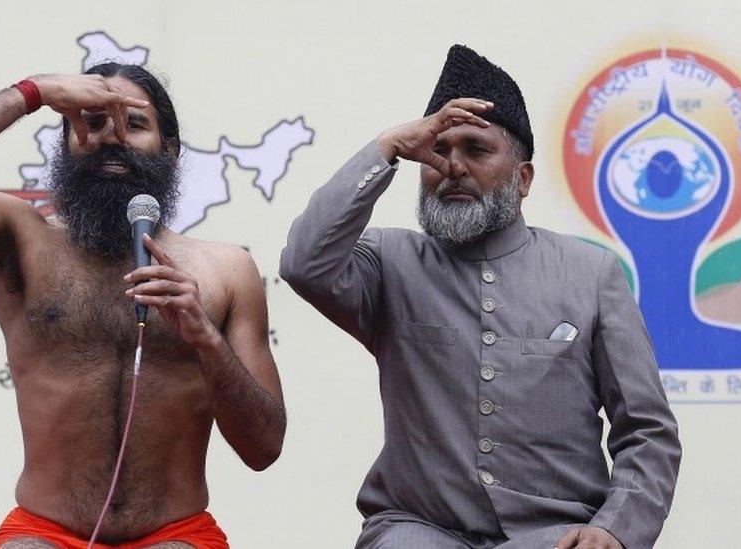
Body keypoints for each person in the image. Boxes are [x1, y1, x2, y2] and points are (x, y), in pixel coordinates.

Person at [279, 45, 680, 549]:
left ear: (524, 178)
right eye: (437, 150)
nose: (452, 167)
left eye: (477, 150)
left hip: (555, 533)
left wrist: (614, 529)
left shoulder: (590, 273)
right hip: (417, 528)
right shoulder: (389, 261)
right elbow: (303, 262)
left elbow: (646, 430)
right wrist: (387, 147)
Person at [0, 63, 286, 548]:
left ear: (171, 154)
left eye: (135, 125)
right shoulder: (21, 239)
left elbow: (264, 447)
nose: (111, 138)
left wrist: (205, 337)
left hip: (176, 534)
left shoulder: (227, 270)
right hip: (43, 532)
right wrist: (35, 92)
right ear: (67, 145)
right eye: (92, 123)